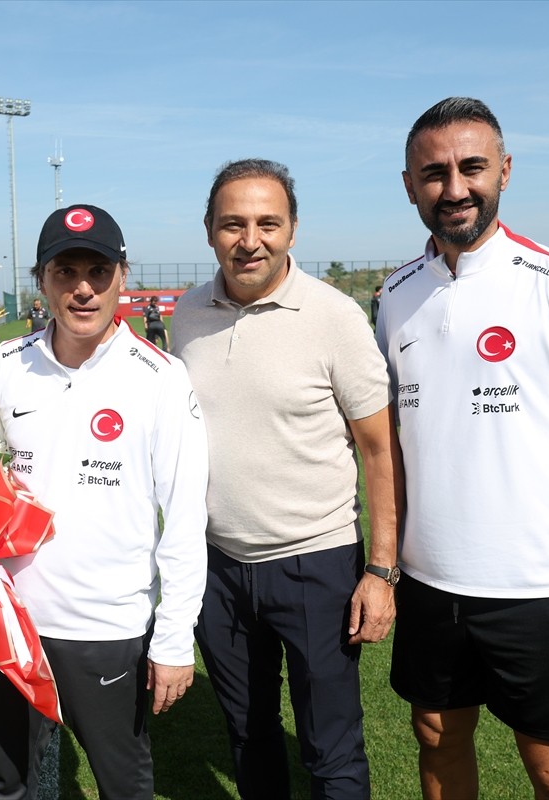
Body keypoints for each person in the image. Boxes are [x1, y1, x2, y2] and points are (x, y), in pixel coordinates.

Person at [378, 97, 549, 800]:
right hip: (429, 582)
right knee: (438, 739)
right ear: (410, 184)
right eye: (433, 173)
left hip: (536, 588)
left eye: (471, 167)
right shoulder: (395, 293)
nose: (455, 188)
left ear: (503, 170)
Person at [171, 159, 402, 800]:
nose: (251, 240)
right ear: (210, 231)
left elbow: (380, 452)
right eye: (233, 224)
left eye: (268, 222)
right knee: (249, 734)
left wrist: (381, 574)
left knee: (330, 750)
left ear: (293, 230)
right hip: (217, 567)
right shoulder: (187, 315)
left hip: (316, 565)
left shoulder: (334, 315)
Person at [0, 204, 209, 800]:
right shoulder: (7, 364)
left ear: (122, 278)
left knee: (122, 783)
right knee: (9, 781)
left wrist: (174, 637)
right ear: (42, 281)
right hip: (12, 620)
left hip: (107, 626)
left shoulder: (160, 377)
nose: (82, 289)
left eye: (98, 272)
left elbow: (184, 519)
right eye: (65, 272)